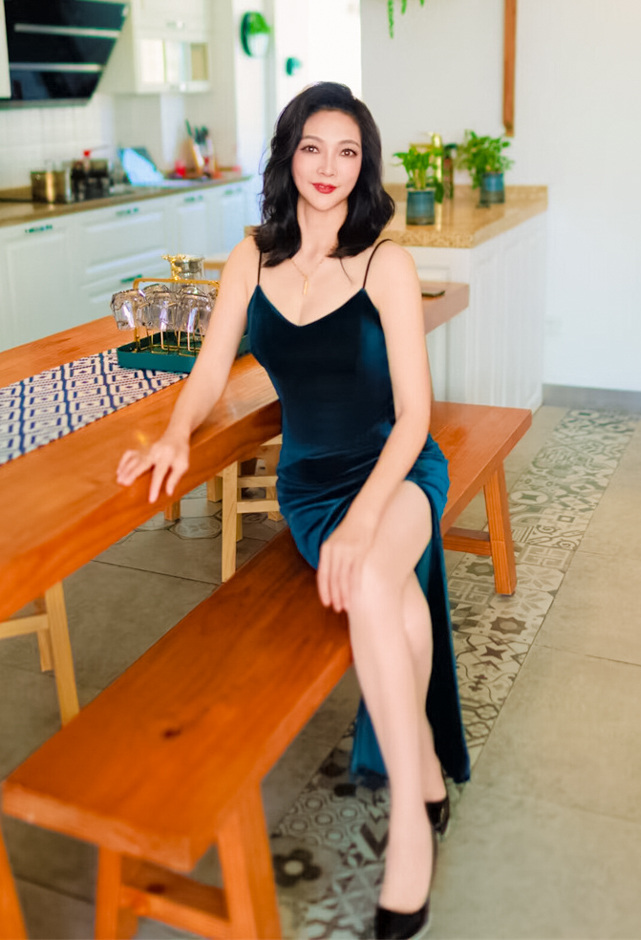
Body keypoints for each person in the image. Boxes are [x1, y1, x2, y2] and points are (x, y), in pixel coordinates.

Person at [117, 81, 469, 940]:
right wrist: (174, 436)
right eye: (314, 147)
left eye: (348, 152)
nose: (329, 166)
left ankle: (409, 832)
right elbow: (209, 369)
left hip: (395, 470)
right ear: (289, 154)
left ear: (364, 166)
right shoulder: (251, 257)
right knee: (395, 599)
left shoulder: (385, 264)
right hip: (311, 485)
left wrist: (365, 519)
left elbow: (415, 417)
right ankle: (423, 768)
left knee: (374, 578)